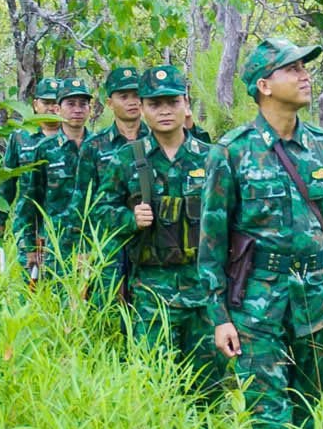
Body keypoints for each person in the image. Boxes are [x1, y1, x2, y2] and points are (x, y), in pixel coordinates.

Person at [198, 37, 323, 429]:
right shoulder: (232, 151)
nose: (304, 75)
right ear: (264, 86)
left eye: (304, 67)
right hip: (256, 305)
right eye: (291, 68)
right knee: (270, 422)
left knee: (307, 414)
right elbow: (212, 241)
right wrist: (219, 317)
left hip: (319, 302)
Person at [90, 64, 222, 400]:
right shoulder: (126, 159)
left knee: (208, 387)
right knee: (152, 382)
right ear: (144, 108)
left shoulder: (213, 158)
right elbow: (100, 213)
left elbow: (234, 222)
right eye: (154, 104)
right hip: (151, 291)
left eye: (172, 102)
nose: (164, 111)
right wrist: (128, 219)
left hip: (203, 291)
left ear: (185, 104)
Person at [16, 76, 96, 279]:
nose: (77, 109)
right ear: (58, 109)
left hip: (96, 242)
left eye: (83, 104)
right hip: (55, 242)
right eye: (70, 104)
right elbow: (30, 201)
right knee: (55, 299)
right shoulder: (45, 149)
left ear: (90, 109)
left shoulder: (101, 147)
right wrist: (30, 246)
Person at [76, 65, 145, 297]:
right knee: (108, 309)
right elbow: (83, 203)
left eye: (137, 95)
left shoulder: (158, 140)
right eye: (124, 96)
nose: (132, 102)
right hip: (109, 244)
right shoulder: (94, 146)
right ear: (109, 102)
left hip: (151, 243)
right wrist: (83, 250)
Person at [0, 76, 59, 236]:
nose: (51, 108)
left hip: (65, 229)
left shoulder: (75, 136)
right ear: (36, 104)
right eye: (46, 103)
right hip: (28, 226)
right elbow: (7, 183)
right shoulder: (21, 137)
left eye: (56, 103)